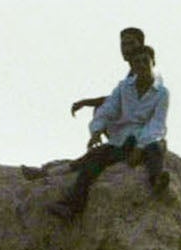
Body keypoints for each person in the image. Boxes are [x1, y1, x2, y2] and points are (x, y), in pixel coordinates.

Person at [48, 44, 171, 221]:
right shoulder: (124, 87)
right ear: (132, 66)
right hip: (123, 139)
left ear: (153, 62)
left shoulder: (162, 93)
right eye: (137, 62)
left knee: (155, 148)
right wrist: (96, 130)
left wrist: (140, 147)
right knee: (95, 160)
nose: (142, 65)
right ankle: (72, 207)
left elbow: (157, 123)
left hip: (148, 137)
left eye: (146, 61)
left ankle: (157, 181)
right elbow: (109, 108)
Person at [69, 26, 146, 117]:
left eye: (131, 44)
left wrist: (86, 102)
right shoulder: (131, 73)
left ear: (141, 45)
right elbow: (117, 98)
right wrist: (86, 102)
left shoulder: (143, 71)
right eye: (124, 44)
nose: (127, 49)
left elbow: (123, 100)